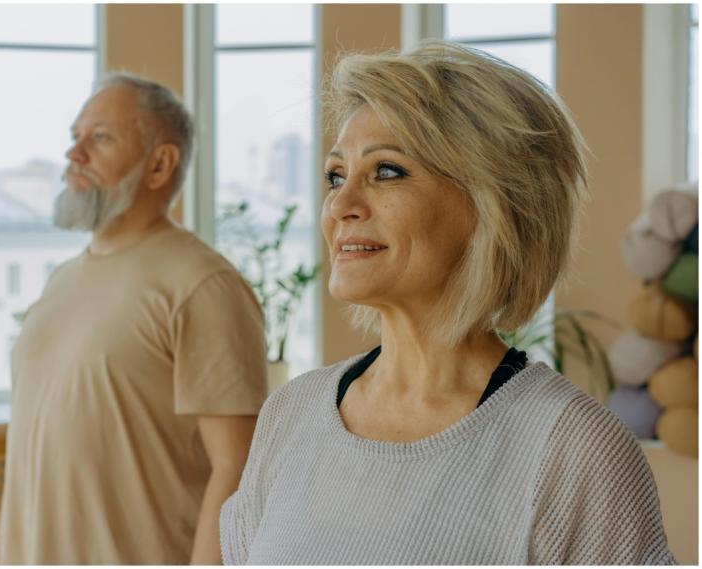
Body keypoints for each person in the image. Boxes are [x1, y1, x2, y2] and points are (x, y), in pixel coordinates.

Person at [219, 40, 676, 565]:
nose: (341, 205)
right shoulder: (291, 413)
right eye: (336, 176)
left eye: (386, 171)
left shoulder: (572, 448)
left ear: (492, 203)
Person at [0, 72, 268, 565]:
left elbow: (238, 468)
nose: (74, 154)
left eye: (100, 138)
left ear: (159, 164)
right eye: (75, 136)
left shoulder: (202, 285)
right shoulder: (62, 280)